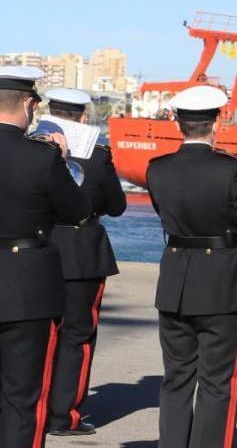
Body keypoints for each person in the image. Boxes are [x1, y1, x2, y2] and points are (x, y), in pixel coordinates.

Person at [145, 85, 237, 448]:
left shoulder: (156, 170)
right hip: (221, 283)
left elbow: (166, 216)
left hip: (174, 280)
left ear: (178, 124)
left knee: (176, 378)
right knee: (218, 383)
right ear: (215, 123)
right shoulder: (231, 170)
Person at [0, 67, 91, 448]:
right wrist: (66, 161)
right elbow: (78, 211)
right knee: (23, 399)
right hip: (27, 287)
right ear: (28, 103)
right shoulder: (42, 156)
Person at [42, 88, 124, 437]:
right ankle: (64, 417)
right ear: (81, 116)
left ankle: (31, 410)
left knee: (36, 336)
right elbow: (117, 205)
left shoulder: (31, 149)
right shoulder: (99, 156)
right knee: (77, 337)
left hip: (39, 248)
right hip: (82, 254)